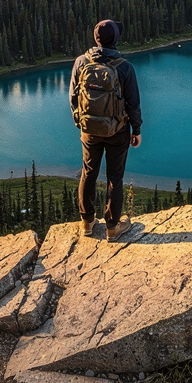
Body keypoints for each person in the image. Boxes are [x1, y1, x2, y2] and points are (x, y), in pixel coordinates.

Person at [70, 18, 141, 240]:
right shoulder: (125, 68)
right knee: (115, 176)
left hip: (89, 130)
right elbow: (133, 103)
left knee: (88, 172)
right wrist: (136, 130)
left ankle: (87, 222)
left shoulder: (81, 62)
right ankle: (112, 226)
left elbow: (73, 97)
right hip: (117, 131)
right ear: (116, 40)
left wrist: (82, 122)